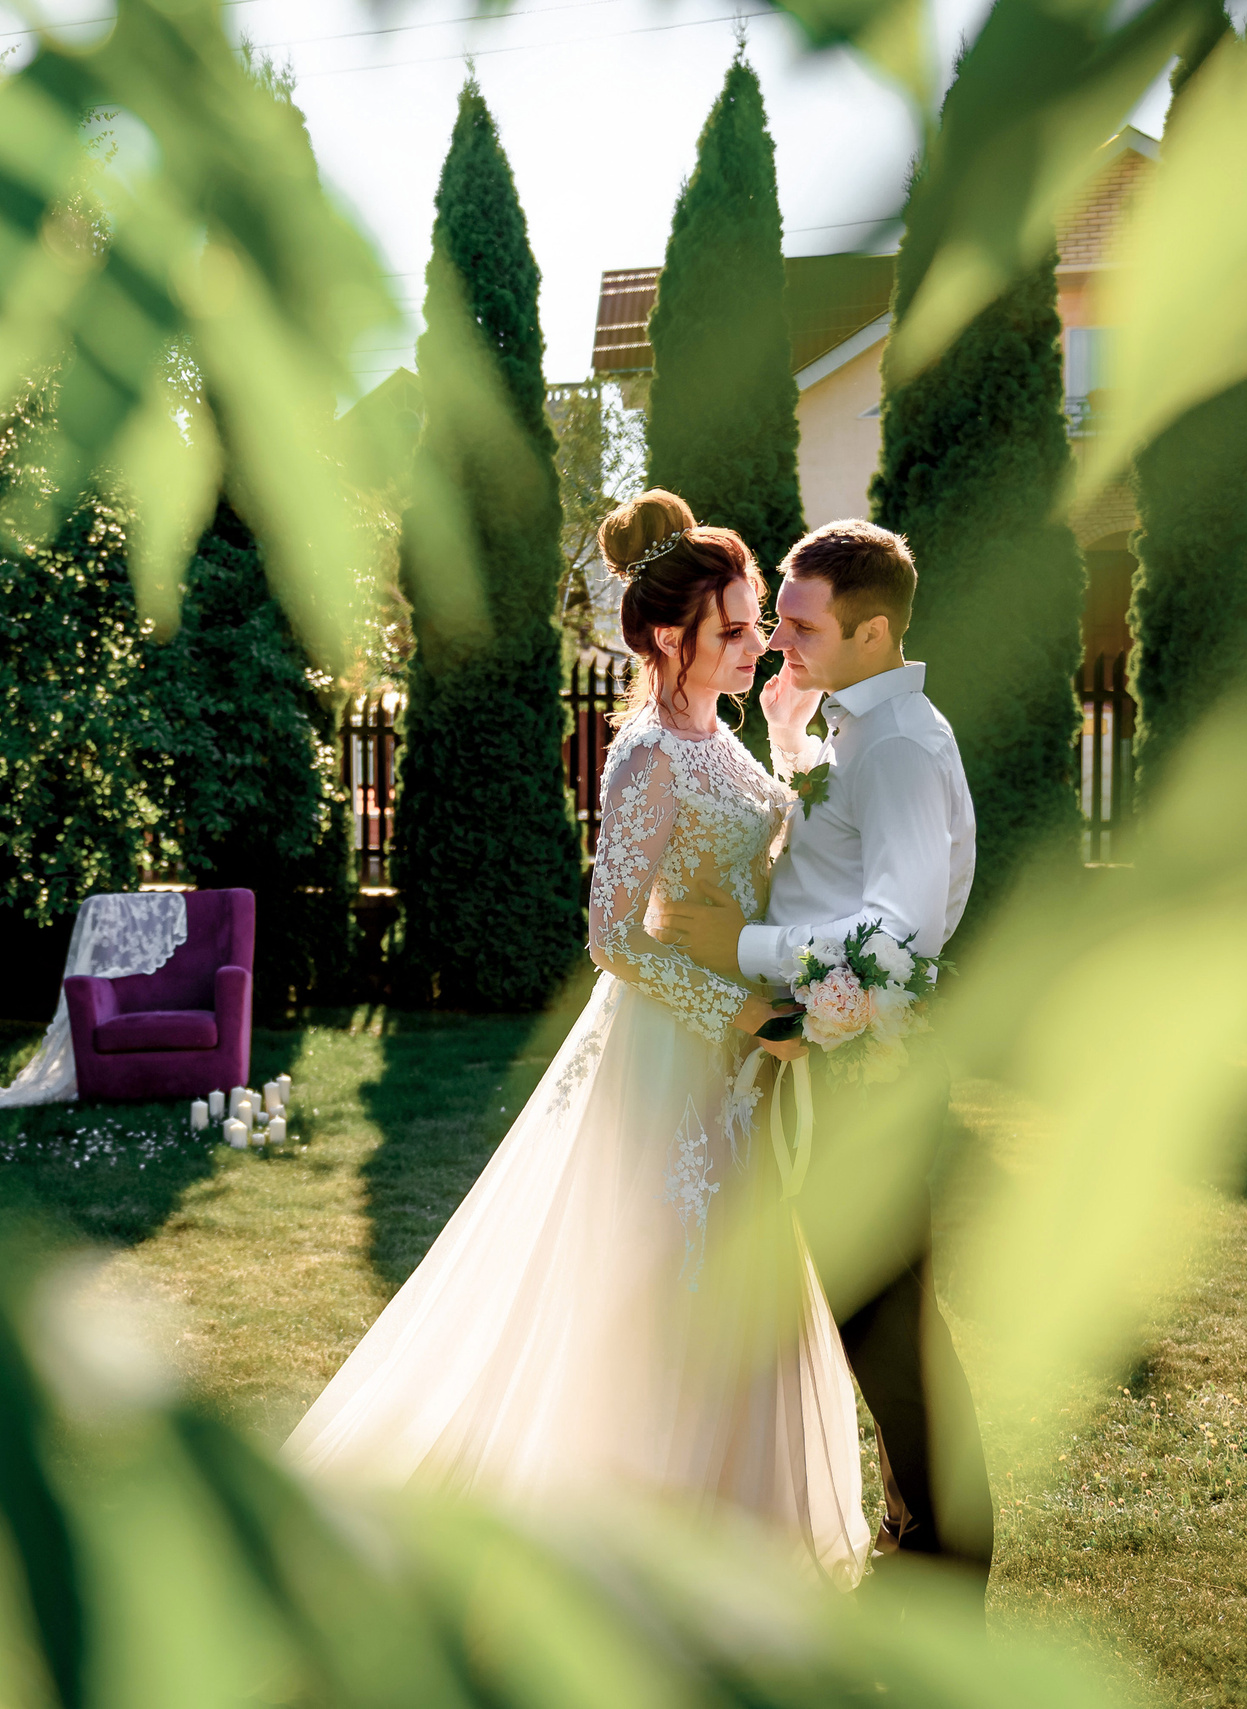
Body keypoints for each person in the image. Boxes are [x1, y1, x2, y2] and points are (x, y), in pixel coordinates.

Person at [283, 491, 869, 1588]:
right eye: (733, 628)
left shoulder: (722, 731)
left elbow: (754, 842)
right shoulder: (648, 756)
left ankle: (727, 1544)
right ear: (666, 637)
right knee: (669, 1290)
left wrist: (789, 741)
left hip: (739, 1060)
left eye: (753, 623)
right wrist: (736, 1013)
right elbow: (609, 935)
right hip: (675, 1062)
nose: (755, 643)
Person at [653, 518, 995, 1604]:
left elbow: (891, 943)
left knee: (891, 1343)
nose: (778, 645)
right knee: (879, 1334)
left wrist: (737, 948)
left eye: (799, 626)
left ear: (873, 628)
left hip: (867, 1084)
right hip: (844, 1066)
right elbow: (847, 881)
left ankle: (938, 1573)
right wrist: (793, 742)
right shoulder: (863, 728)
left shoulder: (894, 747)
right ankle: (921, 1555)